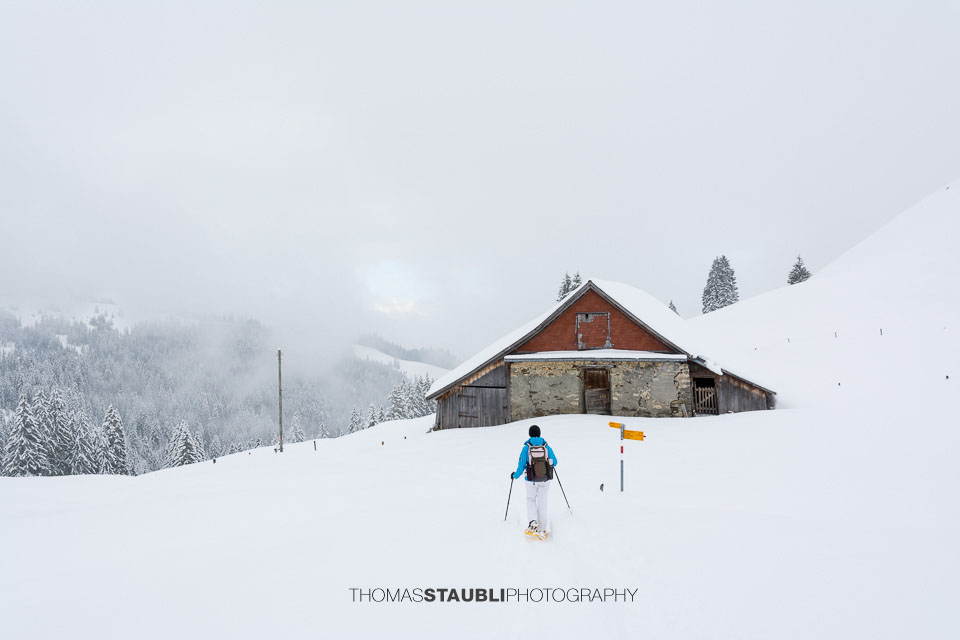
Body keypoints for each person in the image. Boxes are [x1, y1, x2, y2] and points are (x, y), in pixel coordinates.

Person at [510, 424, 557, 538]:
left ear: (530, 434)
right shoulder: (546, 446)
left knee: (531, 499)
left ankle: (532, 522)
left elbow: (521, 465)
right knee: (543, 503)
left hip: (530, 479)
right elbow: (554, 462)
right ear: (540, 434)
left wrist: (515, 476)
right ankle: (542, 529)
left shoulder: (526, 447)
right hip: (545, 479)